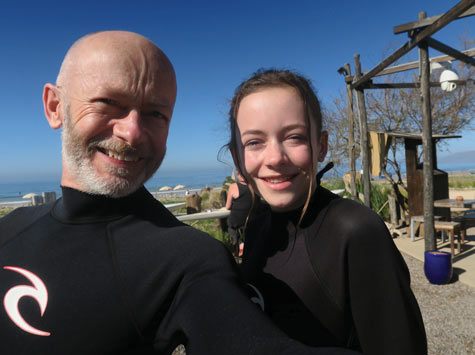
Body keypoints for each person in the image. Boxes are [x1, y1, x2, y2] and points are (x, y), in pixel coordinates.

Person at [0, 32, 359, 355]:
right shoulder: (10, 229)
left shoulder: (186, 258)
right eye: (108, 103)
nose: (132, 132)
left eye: (156, 114)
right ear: (54, 106)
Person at [226, 69, 427, 355]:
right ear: (237, 157)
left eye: (294, 137)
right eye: (254, 142)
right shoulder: (258, 223)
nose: (274, 158)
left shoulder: (356, 232)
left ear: (321, 146)